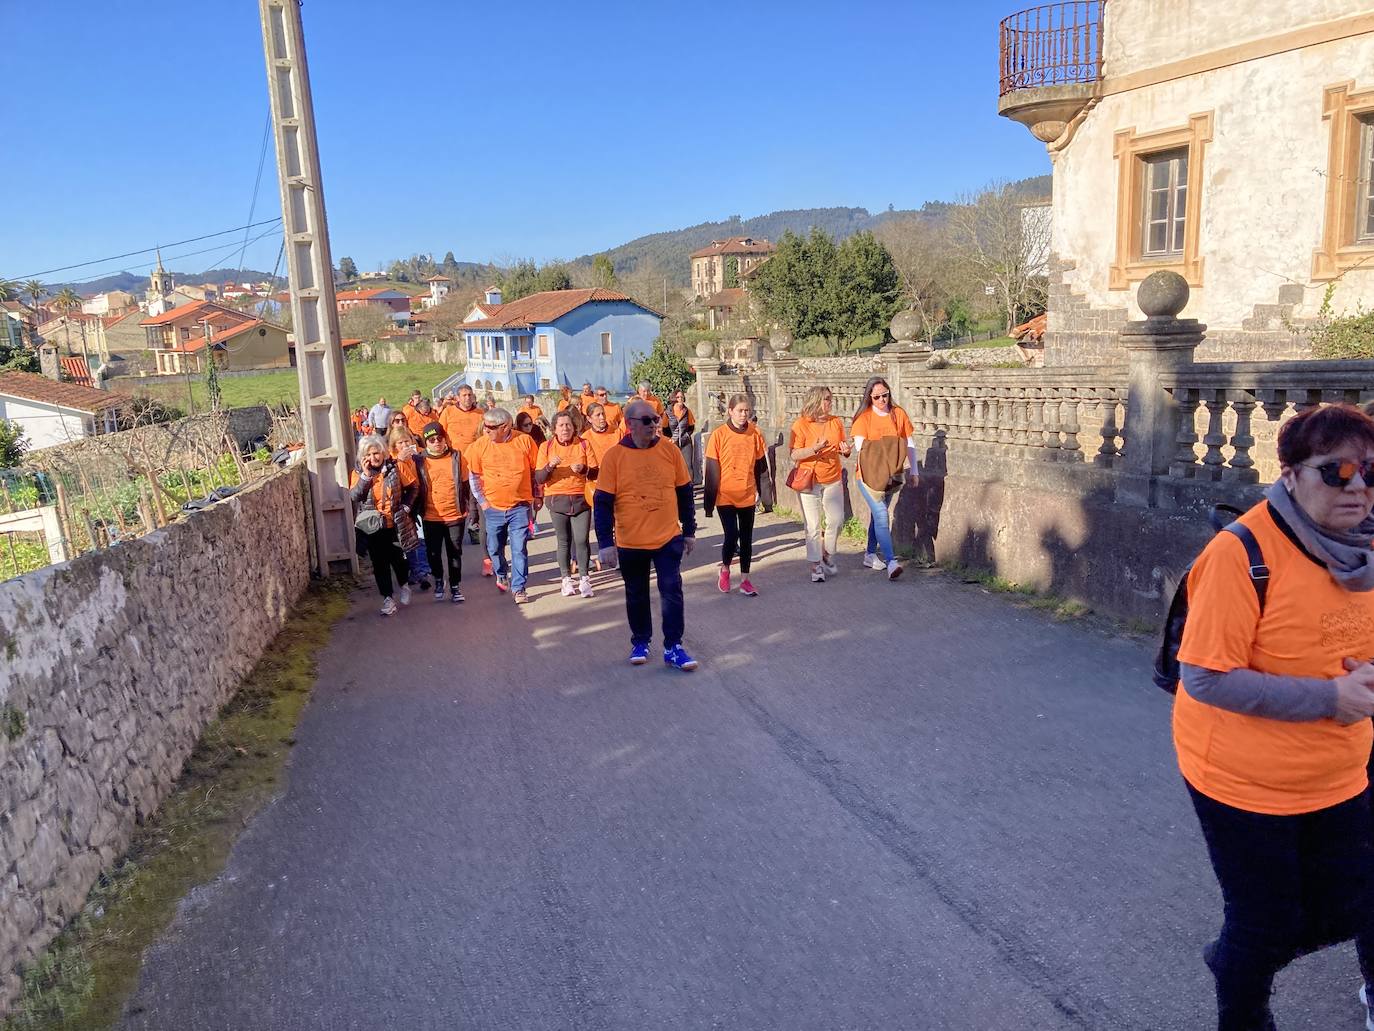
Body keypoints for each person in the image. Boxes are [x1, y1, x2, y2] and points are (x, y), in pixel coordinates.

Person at [1173, 404, 1374, 1031]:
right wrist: (1329, 700)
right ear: (1289, 474)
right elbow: (1204, 677)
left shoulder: (1365, 550)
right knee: (1263, 926)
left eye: (1370, 471)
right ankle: (1243, 1007)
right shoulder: (1243, 554)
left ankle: (1236, 957)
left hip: (1338, 771)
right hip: (1241, 781)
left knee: (1356, 908)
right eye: (1336, 471)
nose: (1359, 487)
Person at [594, 399, 698, 670]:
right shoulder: (614, 457)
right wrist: (606, 543)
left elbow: (685, 493)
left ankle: (673, 647)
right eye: (647, 420)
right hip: (631, 541)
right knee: (636, 593)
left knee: (672, 591)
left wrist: (689, 531)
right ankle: (640, 640)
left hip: (667, 537)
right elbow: (602, 502)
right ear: (630, 425)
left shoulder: (669, 451)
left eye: (656, 419)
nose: (654, 425)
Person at [466, 407, 538, 603]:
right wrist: (483, 502)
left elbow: (535, 472)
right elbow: (474, 477)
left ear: (505, 427)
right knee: (494, 547)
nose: (486, 430)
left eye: (490, 427)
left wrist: (537, 497)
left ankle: (519, 588)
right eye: (485, 426)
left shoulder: (524, 441)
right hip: (493, 508)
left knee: (518, 548)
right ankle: (501, 572)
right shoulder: (479, 446)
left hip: (519, 507)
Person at [851, 376, 918, 581]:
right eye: (877, 397)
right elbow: (860, 448)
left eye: (885, 395)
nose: (882, 400)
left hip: (892, 475)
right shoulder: (864, 418)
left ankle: (870, 554)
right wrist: (889, 446)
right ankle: (891, 562)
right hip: (868, 476)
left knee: (877, 516)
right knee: (881, 515)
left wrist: (914, 470)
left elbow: (909, 443)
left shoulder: (898, 414)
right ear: (869, 398)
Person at [703, 393, 769, 597]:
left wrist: (765, 494)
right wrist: (708, 503)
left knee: (747, 538)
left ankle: (745, 580)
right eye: (740, 411)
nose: (744, 415)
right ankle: (724, 568)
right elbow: (712, 470)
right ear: (730, 411)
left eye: (747, 411)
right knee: (732, 535)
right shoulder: (719, 435)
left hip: (747, 493)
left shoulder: (755, 433)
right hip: (726, 495)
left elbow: (761, 467)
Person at [789, 385, 852, 583]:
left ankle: (827, 552)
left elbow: (843, 448)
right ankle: (816, 565)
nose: (830, 403)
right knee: (813, 525)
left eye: (830, 399)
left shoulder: (836, 422)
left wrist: (846, 450)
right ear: (815, 401)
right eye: (826, 399)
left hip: (832, 476)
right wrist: (814, 449)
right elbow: (794, 454)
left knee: (836, 519)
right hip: (810, 479)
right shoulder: (800, 425)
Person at [349, 434, 416, 616]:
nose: (374, 458)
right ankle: (387, 598)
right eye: (369, 454)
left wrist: (407, 506)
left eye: (377, 453)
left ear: (383, 452)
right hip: (372, 527)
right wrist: (365, 476)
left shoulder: (396, 467)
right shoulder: (358, 472)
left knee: (399, 560)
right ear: (363, 456)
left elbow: (412, 487)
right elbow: (355, 497)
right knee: (380, 564)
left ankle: (404, 584)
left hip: (394, 524)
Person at [536, 411, 597, 598]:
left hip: (581, 499)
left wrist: (584, 468)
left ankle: (584, 579)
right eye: (561, 425)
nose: (565, 429)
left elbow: (596, 473)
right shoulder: (546, 447)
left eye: (568, 425)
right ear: (554, 429)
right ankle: (566, 580)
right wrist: (550, 466)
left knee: (581, 540)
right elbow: (539, 477)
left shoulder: (584, 444)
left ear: (574, 427)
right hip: (557, 499)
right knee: (564, 541)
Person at [416, 421, 468, 603]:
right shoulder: (419, 460)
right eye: (431, 440)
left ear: (445, 439)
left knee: (454, 553)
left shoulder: (457, 457)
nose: (436, 442)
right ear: (426, 442)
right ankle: (439, 579)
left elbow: (466, 484)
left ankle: (455, 586)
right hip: (431, 516)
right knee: (433, 553)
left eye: (439, 438)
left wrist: (470, 508)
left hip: (455, 515)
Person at [386, 425, 432, 592]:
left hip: (419, 501)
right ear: (394, 446)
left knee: (421, 538)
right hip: (402, 503)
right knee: (408, 540)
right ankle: (416, 571)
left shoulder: (418, 456)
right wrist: (399, 460)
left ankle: (423, 571)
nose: (405, 446)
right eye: (400, 443)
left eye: (407, 441)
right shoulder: (391, 460)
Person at [441, 385, 486, 548]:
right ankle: (457, 527)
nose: (467, 398)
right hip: (455, 462)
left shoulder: (480, 414)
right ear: (458, 398)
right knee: (459, 498)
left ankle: (474, 527)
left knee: (475, 497)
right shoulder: (448, 412)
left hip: (475, 462)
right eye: (464, 395)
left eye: (470, 395)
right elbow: (440, 434)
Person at [667, 389, 696, 481]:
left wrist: (686, 435)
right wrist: (670, 439)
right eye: (678, 397)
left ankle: (690, 487)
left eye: (682, 397)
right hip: (672, 443)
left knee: (688, 465)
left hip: (685, 442)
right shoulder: (668, 412)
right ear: (674, 398)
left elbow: (691, 426)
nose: (680, 399)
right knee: (673, 466)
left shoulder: (687, 411)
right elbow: (665, 428)